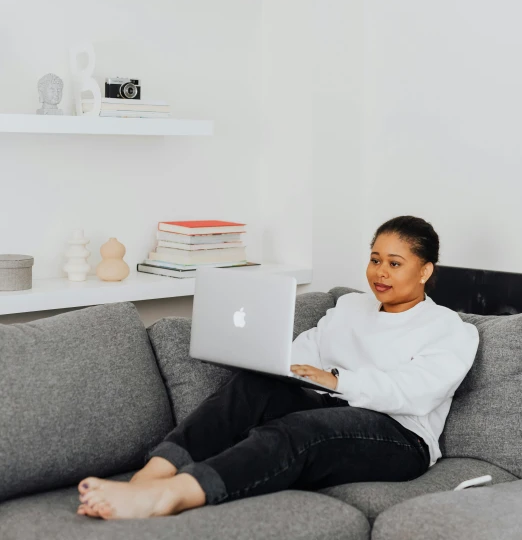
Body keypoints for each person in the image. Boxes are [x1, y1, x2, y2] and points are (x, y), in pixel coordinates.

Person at [76, 215, 479, 520]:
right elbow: (305, 354)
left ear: (425, 270)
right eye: (375, 260)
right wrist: (267, 360)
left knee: (300, 430)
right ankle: (151, 474)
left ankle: (174, 494)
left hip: (401, 436)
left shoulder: (451, 329)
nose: (380, 273)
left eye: (395, 263)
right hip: (335, 407)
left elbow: (414, 393)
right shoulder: (350, 306)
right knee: (255, 386)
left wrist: (337, 380)